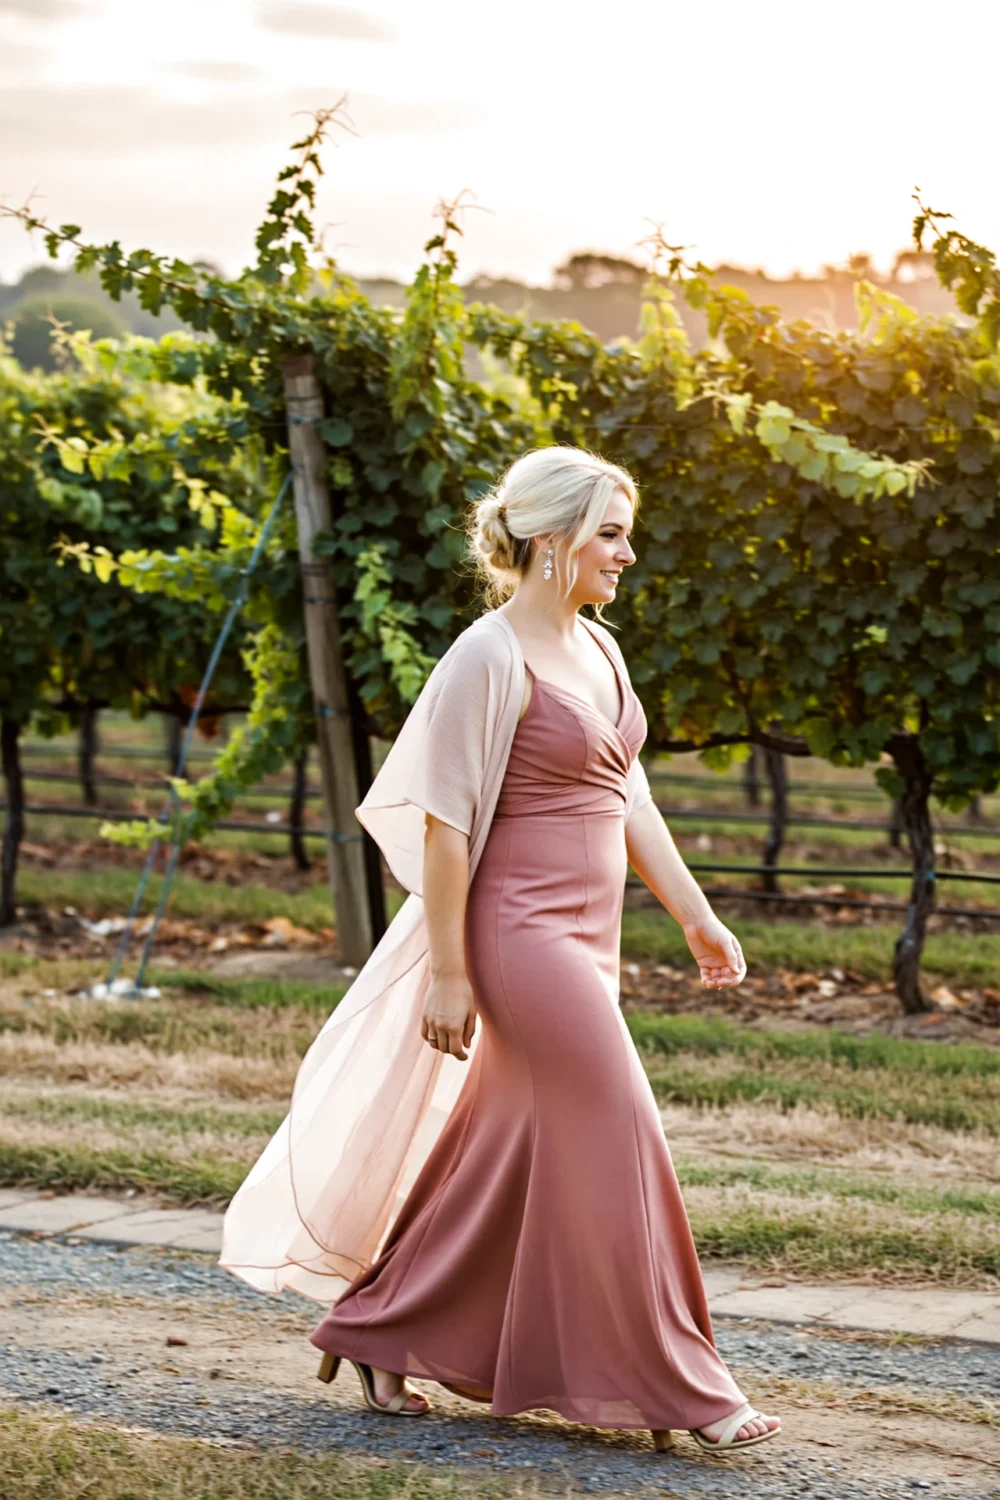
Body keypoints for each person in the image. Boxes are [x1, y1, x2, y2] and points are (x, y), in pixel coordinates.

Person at [304, 447, 781, 1455]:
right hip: (518, 938)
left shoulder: (601, 649)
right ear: (552, 539)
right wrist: (448, 973)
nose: (628, 553)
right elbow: (443, 825)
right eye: (611, 533)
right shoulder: (486, 655)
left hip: (591, 936)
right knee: (620, 1131)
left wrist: (695, 915)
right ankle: (683, 1383)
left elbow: (628, 796)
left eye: (625, 533)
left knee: (503, 1152)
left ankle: (379, 1326)